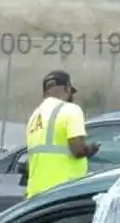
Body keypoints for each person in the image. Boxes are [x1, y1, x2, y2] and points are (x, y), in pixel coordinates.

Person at [24, 70, 97, 198]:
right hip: (64, 192)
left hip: (35, 195)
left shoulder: (35, 116)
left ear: (45, 92)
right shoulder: (71, 110)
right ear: (67, 88)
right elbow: (78, 150)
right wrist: (91, 149)